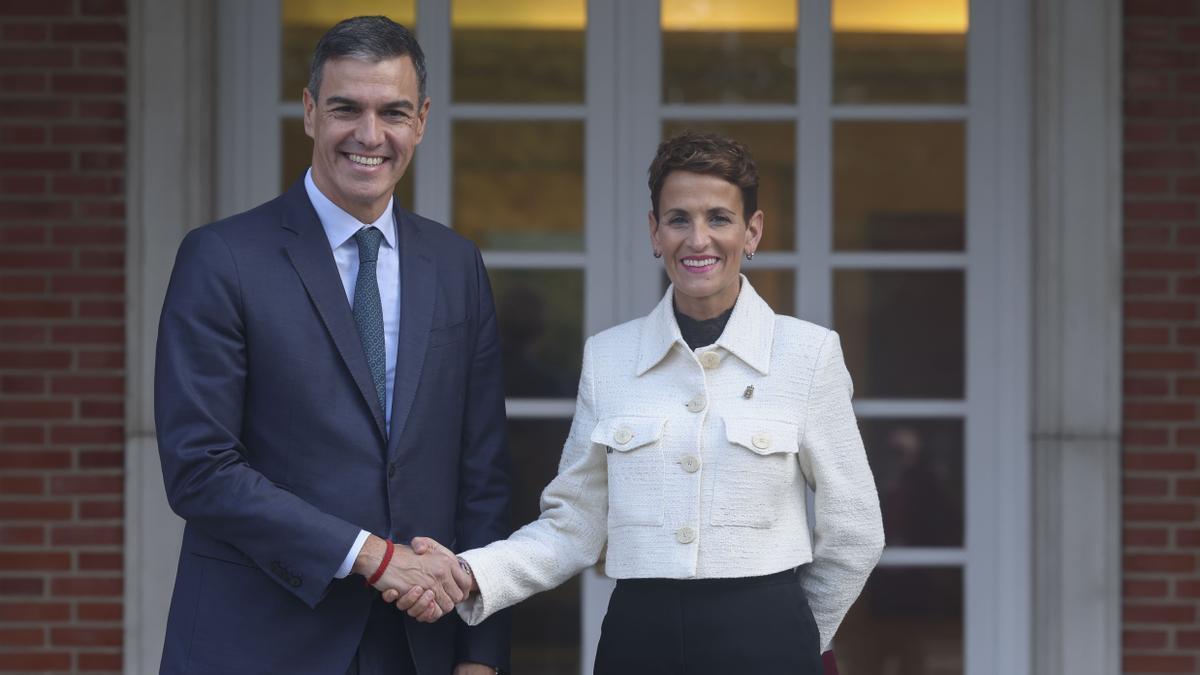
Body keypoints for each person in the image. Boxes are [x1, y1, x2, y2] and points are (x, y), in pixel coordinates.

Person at [395, 131, 885, 674]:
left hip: (768, 634)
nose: (698, 239)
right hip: (639, 638)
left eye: (719, 218)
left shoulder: (808, 354)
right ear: (655, 232)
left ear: (753, 231)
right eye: (678, 219)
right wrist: (470, 572)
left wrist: (796, 635)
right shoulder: (609, 358)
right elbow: (572, 526)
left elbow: (855, 529)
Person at [154, 16, 511, 675]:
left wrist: (481, 655)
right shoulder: (223, 258)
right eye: (347, 108)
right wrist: (374, 554)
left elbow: (481, 473)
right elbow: (200, 468)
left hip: (417, 647)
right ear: (311, 111)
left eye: (393, 112)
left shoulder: (456, 265)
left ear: (423, 119)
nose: (370, 136)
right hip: (259, 642)